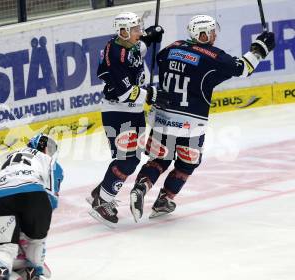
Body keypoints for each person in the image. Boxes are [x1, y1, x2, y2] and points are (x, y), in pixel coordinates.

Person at [129, 15, 275, 221]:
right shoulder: (213, 57)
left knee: (160, 159)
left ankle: (141, 186)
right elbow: (243, 69)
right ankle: (165, 198)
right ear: (202, 34)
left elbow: (158, 59)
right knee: (187, 164)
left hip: (162, 117)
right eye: (211, 31)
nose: (214, 35)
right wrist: (260, 49)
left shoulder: (172, 47)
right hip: (191, 123)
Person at [88, 11, 164, 227]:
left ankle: (102, 190)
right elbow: (125, 92)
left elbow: (138, 48)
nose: (139, 33)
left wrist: (150, 35)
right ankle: (102, 201)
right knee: (127, 159)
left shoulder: (127, 45)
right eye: (136, 30)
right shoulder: (115, 55)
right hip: (119, 112)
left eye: (139, 29)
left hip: (133, 111)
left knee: (131, 157)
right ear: (123, 32)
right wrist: (151, 94)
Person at [0, 133, 63, 280]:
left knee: (4, 247)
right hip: (32, 193)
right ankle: (35, 273)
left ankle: (1, 275)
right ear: (46, 149)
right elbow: (51, 197)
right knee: (36, 241)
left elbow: (3, 183)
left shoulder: (10, 157)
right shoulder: (49, 160)